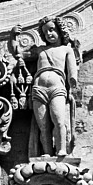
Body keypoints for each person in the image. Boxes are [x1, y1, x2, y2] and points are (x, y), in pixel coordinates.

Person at [25, 16, 79, 158]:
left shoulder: (66, 50)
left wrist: (73, 81)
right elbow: (19, 53)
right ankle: (48, 153)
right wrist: (13, 36)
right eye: (46, 32)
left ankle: (61, 149)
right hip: (39, 89)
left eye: (52, 30)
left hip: (57, 87)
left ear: (60, 31)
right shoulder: (40, 50)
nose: (49, 34)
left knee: (59, 120)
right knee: (43, 126)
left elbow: (72, 69)